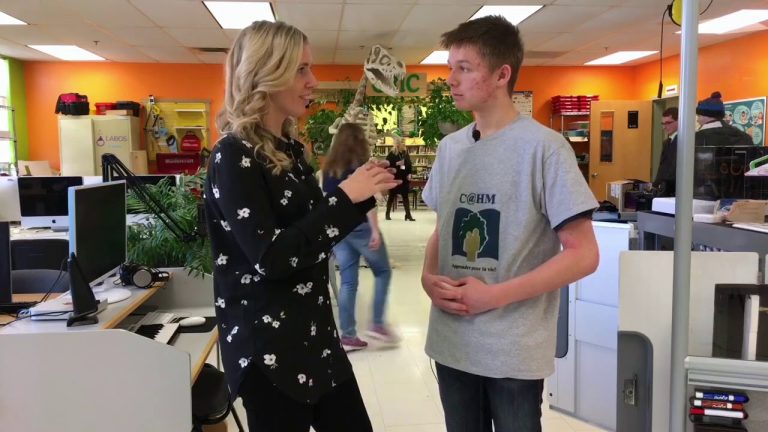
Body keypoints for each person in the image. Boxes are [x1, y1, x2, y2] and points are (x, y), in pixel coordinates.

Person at [203, 20, 399, 432]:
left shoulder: (290, 148)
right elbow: (272, 257)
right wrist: (346, 198)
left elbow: (310, 232)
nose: (313, 81)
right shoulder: (233, 155)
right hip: (269, 351)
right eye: (301, 69)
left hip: (315, 335)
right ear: (265, 72)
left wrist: (359, 192)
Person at [420, 16, 599, 432]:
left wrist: (494, 296)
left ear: (502, 75)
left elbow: (584, 255)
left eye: (465, 68)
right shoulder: (450, 149)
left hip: (513, 349)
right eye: (450, 68)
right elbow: (443, 228)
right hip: (452, 340)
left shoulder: (545, 149)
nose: (451, 80)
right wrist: (428, 278)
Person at [322, 123, 400, 351]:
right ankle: (377, 324)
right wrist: (375, 230)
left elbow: (328, 200)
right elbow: (368, 202)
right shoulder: (360, 168)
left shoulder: (329, 169)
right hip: (362, 228)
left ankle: (348, 335)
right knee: (383, 272)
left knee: (348, 282)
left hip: (340, 230)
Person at [385, 133, 416, 221]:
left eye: (405, 143)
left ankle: (408, 215)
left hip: (404, 179)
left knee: (405, 197)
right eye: (403, 143)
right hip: (394, 178)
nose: (404, 145)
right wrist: (397, 163)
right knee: (391, 196)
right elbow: (387, 164)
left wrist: (409, 173)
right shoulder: (392, 153)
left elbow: (409, 164)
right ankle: (387, 214)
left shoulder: (405, 153)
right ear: (398, 144)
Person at [653, 107, 679, 197]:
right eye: (663, 123)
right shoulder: (667, 142)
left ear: (679, 121)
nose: (664, 127)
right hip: (664, 190)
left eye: (668, 123)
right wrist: (655, 185)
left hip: (675, 190)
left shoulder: (683, 141)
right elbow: (662, 167)